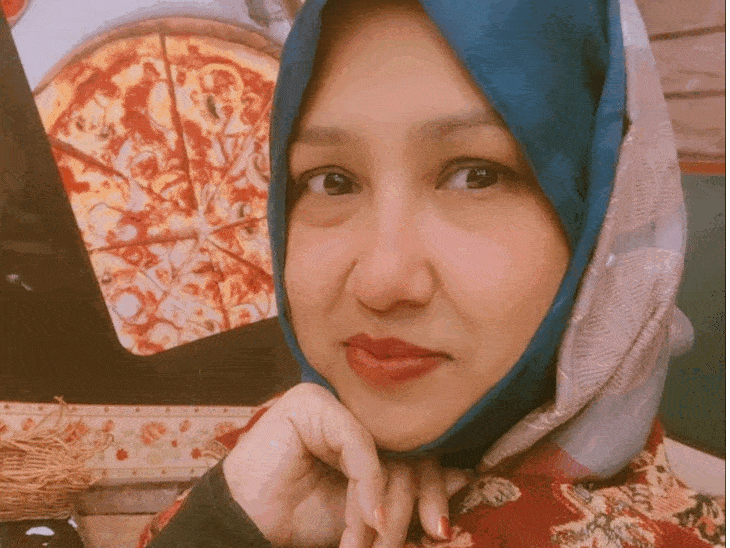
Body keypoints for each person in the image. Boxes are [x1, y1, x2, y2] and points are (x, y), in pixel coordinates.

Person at [140, 0, 726, 546]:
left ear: (602, 216)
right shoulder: (276, 464)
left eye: (476, 175)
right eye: (332, 181)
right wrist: (226, 523)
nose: (382, 281)